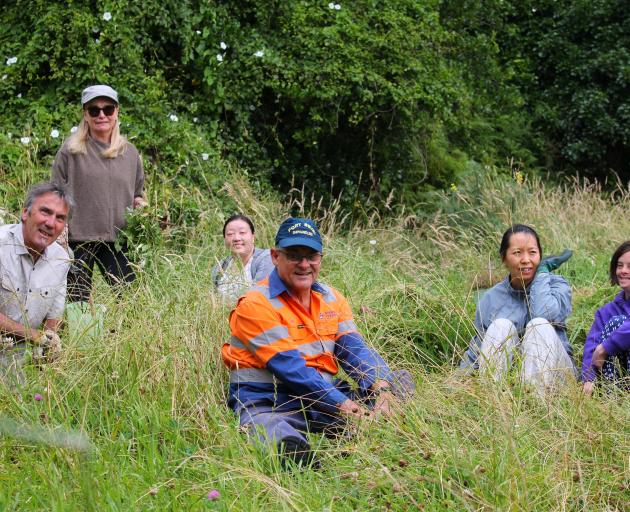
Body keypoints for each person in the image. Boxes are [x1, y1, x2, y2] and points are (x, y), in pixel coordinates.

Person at [222, 217, 413, 466]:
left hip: (320, 399)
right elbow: (292, 370)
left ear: (320, 257)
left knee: (398, 380)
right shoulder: (255, 304)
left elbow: (355, 351)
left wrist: (382, 389)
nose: (304, 265)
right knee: (271, 427)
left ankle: (374, 425)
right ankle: (296, 453)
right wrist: (344, 406)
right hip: (269, 400)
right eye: (294, 256)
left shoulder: (332, 298)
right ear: (274, 257)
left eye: (311, 256)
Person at [51, 84, 145, 302]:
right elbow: (56, 193)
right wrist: (61, 232)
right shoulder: (70, 151)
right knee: (77, 302)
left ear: (116, 111)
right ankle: (84, 337)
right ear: (85, 114)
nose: (101, 115)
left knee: (129, 300)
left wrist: (143, 211)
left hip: (119, 240)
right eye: (94, 110)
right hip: (78, 240)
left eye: (108, 109)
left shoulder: (129, 152)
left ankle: (126, 336)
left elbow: (137, 194)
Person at [460, 224, 575, 391]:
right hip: (509, 378)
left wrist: (542, 273)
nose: (526, 259)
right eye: (517, 253)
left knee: (538, 326)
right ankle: (494, 398)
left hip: (557, 378)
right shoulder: (491, 298)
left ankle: (536, 404)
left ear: (541, 256)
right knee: (500, 326)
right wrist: (458, 380)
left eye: (533, 252)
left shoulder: (557, 286)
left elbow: (542, 313)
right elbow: (478, 345)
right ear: (504, 258)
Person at [0, 181, 73, 384]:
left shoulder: (62, 258)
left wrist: (49, 342)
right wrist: (34, 335)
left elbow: (54, 316)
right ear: (25, 213)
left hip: (20, 366)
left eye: (60, 218)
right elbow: (38, 335)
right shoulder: (1, 245)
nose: (51, 223)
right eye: (45, 212)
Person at [582, 241, 630, 394]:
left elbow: (601, 347)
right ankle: (613, 396)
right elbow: (592, 345)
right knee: (613, 322)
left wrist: (606, 346)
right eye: (619, 265)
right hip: (618, 383)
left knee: (617, 324)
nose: (623, 271)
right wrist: (588, 378)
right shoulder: (606, 312)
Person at [211, 214, 274, 301]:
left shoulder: (266, 259)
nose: (236, 238)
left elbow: (258, 298)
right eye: (230, 234)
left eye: (242, 232)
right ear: (225, 239)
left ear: (253, 237)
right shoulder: (220, 266)